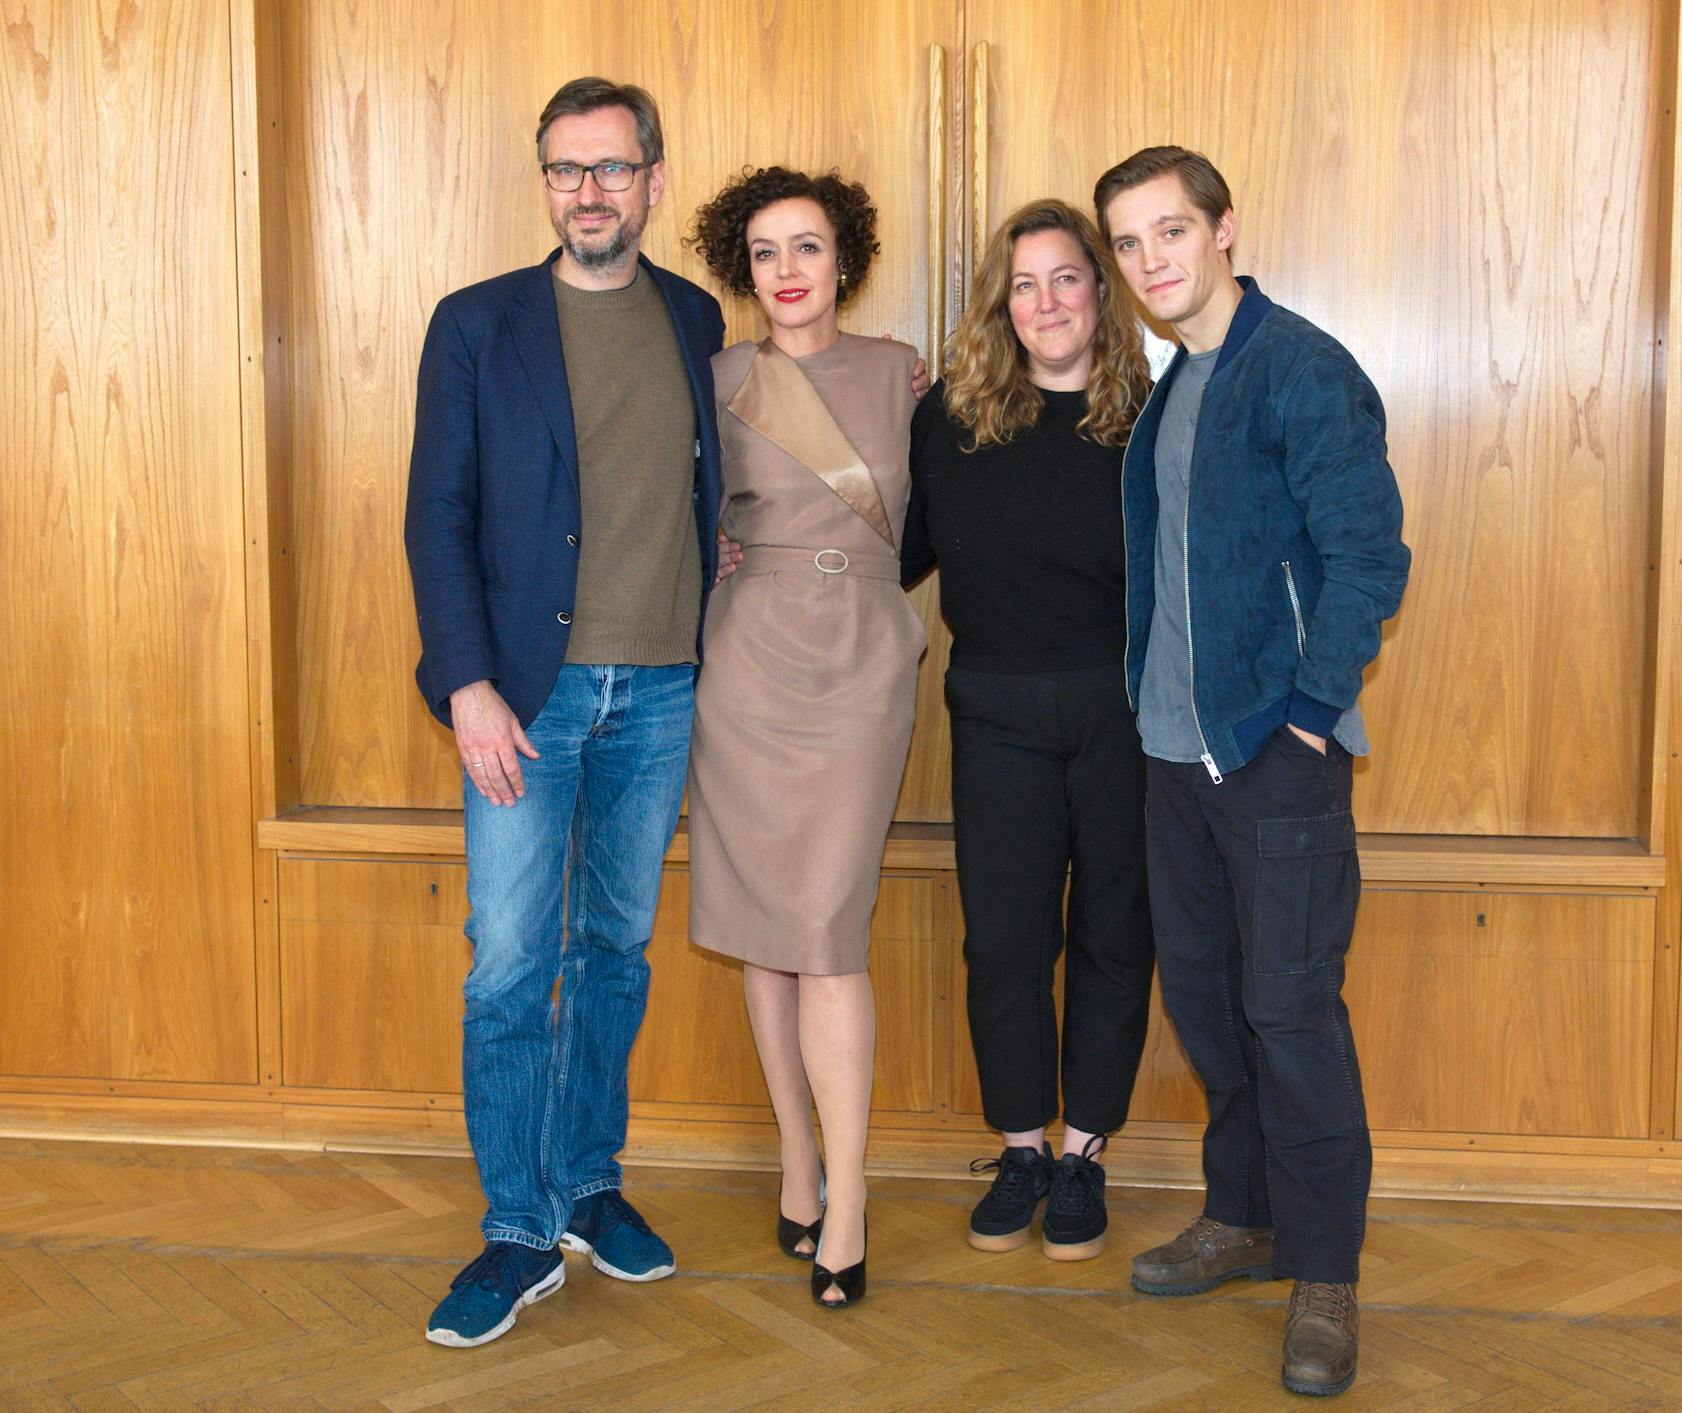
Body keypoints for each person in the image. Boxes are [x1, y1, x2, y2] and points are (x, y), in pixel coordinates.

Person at [403, 78, 725, 1347]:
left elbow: (714, 478)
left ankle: (588, 1184)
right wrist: (467, 684)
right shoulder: (477, 324)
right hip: (523, 702)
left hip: (661, 690)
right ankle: (517, 1229)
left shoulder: (696, 318)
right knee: (507, 967)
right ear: (544, 182)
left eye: (611, 168)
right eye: (564, 169)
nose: (588, 192)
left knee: (613, 953)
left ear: (653, 179)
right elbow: (436, 516)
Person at [1094, 147, 1411, 1398]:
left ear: (1223, 228)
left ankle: (1324, 1273)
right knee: (1210, 1004)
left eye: (1169, 231)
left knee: (1290, 1015)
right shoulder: (1175, 384)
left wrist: (1310, 718)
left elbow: (1368, 557)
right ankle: (1243, 1216)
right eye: (1128, 243)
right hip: (1172, 756)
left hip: (1271, 757)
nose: (1149, 260)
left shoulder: (1297, 368)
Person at [684, 166, 923, 1310]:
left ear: (845, 259)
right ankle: (796, 1161)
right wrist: (710, 554)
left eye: (808, 247)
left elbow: (948, 512)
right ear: (743, 268)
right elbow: (655, 506)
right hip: (747, 664)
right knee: (764, 933)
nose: (787, 270)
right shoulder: (713, 379)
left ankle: (851, 1195)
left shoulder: (901, 372)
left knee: (826, 929)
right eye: (765, 252)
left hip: (862, 663)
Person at [901, 199, 1153, 1261]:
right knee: (1003, 942)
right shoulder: (950, 419)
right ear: (999, 304)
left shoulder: (1150, 420)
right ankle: (1020, 1150)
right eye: (1023, 284)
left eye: (1065, 279)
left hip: (1125, 711)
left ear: (1100, 292)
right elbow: (890, 551)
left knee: (1114, 935)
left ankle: (1084, 1154)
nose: (1045, 302)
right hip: (995, 709)